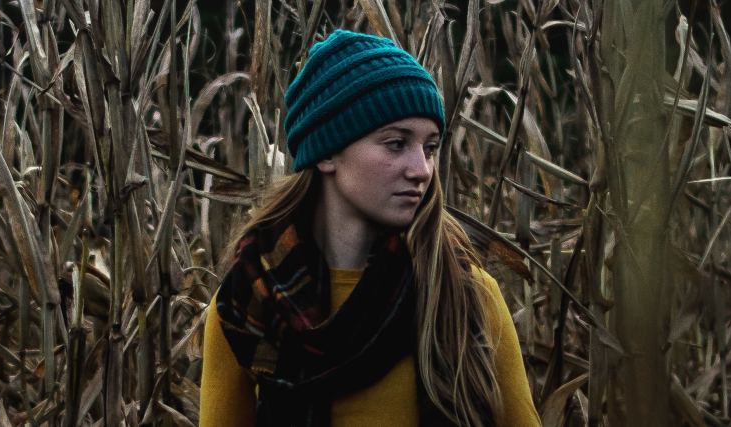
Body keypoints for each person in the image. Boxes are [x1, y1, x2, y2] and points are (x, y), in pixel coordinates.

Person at [198, 30, 541, 426]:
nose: (422, 170)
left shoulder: (463, 295)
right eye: (396, 144)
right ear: (327, 152)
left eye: (429, 148)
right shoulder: (249, 302)